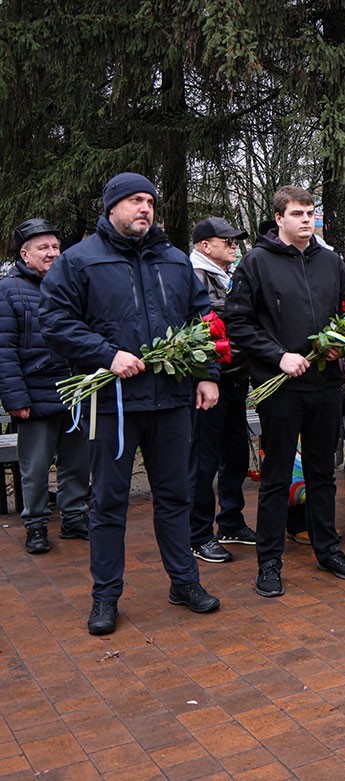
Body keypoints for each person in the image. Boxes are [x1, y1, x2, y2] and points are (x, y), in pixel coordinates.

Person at [41, 172, 221, 634]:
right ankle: (105, 597)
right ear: (112, 207)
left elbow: (201, 319)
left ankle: (184, 582)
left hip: (171, 402)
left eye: (150, 201)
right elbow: (55, 321)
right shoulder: (80, 261)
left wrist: (206, 375)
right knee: (108, 502)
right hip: (112, 405)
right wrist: (107, 355)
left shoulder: (174, 260)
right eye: (135, 201)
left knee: (176, 497)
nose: (145, 208)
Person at [225, 185, 345, 597]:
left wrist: (343, 338)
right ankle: (269, 563)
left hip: (325, 384)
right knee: (277, 476)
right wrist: (278, 354)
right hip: (280, 385)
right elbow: (238, 322)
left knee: (323, 472)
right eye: (298, 213)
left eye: (310, 213)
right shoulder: (255, 263)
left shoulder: (331, 261)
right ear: (279, 218)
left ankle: (327, 548)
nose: (306, 220)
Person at [0, 219, 89, 554]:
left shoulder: (70, 285)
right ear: (25, 254)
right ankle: (36, 524)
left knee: (77, 462)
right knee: (35, 469)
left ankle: (74, 517)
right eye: (43, 248)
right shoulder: (8, 291)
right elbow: (3, 349)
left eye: (55, 246)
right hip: (35, 395)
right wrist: (15, 398)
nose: (52, 253)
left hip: (76, 390)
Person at [188, 217, 257, 564]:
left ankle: (230, 520)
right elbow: (209, 321)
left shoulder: (228, 277)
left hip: (235, 378)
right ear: (205, 246)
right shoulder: (194, 278)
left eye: (235, 241)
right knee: (204, 461)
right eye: (226, 241)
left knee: (235, 456)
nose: (234, 246)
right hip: (208, 383)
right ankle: (197, 534)